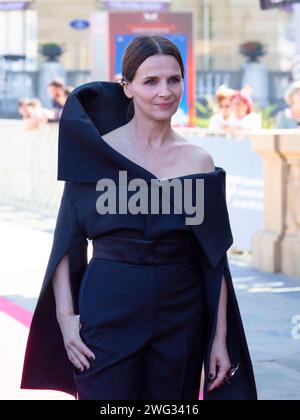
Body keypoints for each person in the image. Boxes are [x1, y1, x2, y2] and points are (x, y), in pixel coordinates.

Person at [21, 35, 257, 400]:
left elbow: (213, 258)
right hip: (108, 307)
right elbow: (67, 243)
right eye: (151, 81)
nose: (165, 91)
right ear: (127, 87)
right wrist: (67, 319)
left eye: (174, 80)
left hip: (182, 314)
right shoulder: (96, 156)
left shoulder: (200, 162)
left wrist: (219, 340)